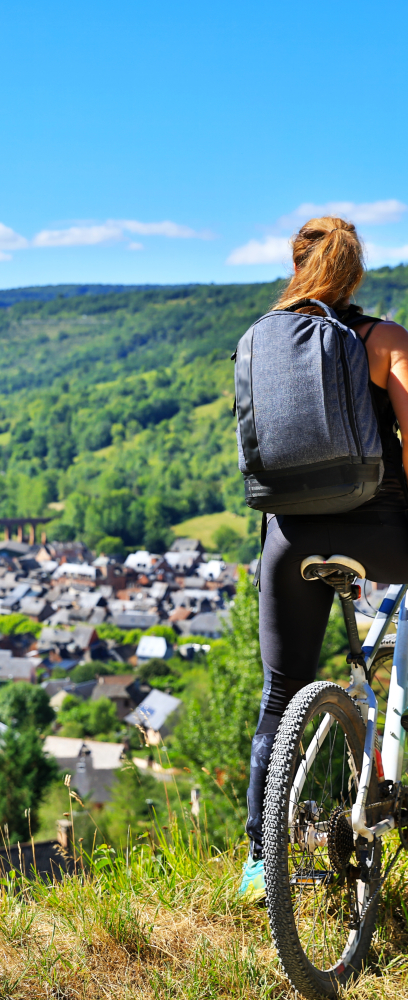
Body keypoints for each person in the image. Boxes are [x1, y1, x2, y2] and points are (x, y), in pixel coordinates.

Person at [239, 216, 408, 898]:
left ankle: (258, 862)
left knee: (280, 694)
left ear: (296, 266)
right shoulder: (383, 339)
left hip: (288, 540)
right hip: (383, 537)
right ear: (357, 273)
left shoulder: (262, 344)